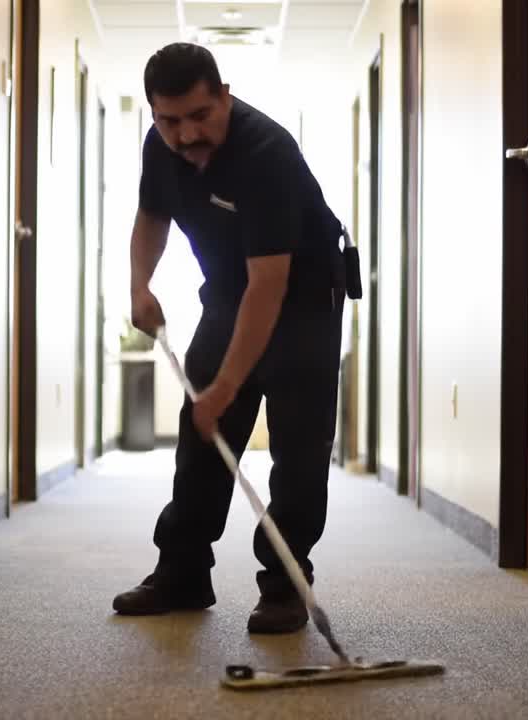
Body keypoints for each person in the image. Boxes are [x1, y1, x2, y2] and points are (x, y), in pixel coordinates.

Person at [112, 42, 349, 635]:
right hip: (226, 291)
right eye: (170, 120)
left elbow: (269, 285)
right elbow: (151, 218)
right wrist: (140, 286)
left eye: (199, 115)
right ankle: (183, 571)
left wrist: (226, 384)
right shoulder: (160, 147)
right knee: (202, 441)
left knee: (296, 451)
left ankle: (285, 587)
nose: (187, 133)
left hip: (303, 298)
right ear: (154, 114)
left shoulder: (266, 152)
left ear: (225, 95)